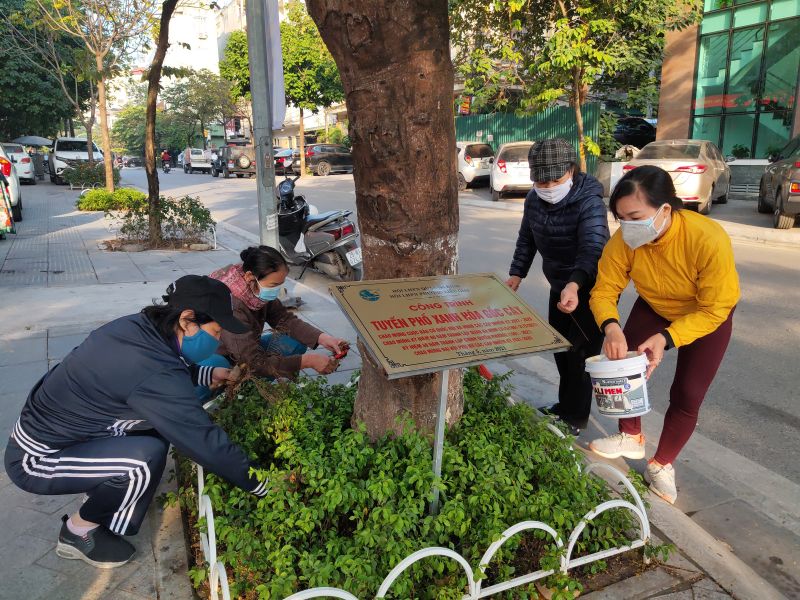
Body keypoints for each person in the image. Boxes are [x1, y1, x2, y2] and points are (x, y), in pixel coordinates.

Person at [4, 276, 273, 568]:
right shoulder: (149, 363)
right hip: (36, 459)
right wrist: (260, 483)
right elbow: (202, 439)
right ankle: (78, 531)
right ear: (187, 321)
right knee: (143, 460)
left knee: (156, 432)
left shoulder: (141, 327)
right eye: (216, 331)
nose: (219, 339)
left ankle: (100, 491)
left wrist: (205, 374)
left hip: (74, 432)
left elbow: (147, 377)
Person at [588, 165, 740, 504]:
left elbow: (716, 307)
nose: (627, 225)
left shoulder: (707, 238)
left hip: (706, 314)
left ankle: (661, 464)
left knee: (687, 392)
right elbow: (603, 291)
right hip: (655, 305)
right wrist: (611, 327)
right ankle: (631, 436)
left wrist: (667, 338)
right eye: (620, 217)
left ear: (665, 209)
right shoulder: (626, 239)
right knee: (622, 365)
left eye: (634, 216)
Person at [506, 138, 610, 435]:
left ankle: (576, 417)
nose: (548, 186)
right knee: (561, 351)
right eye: (541, 179)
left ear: (572, 171)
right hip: (559, 286)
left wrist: (575, 285)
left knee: (581, 356)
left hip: (587, 289)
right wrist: (517, 273)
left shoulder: (589, 200)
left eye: (555, 178)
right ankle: (564, 407)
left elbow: (593, 248)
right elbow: (527, 238)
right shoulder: (533, 199)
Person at [196, 246, 347, 398]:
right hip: (220, 357)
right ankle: (203, 403)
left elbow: (284, 319)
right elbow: (253, 362)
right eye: (273, 286)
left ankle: (248, 391)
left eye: (279, 285)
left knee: (294, 341)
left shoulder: (254, 289)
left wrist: (324, 338)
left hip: (245, 351)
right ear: (250, 277)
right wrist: (307, 361)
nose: (275, 291)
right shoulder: (231, 303)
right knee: (215, 366)